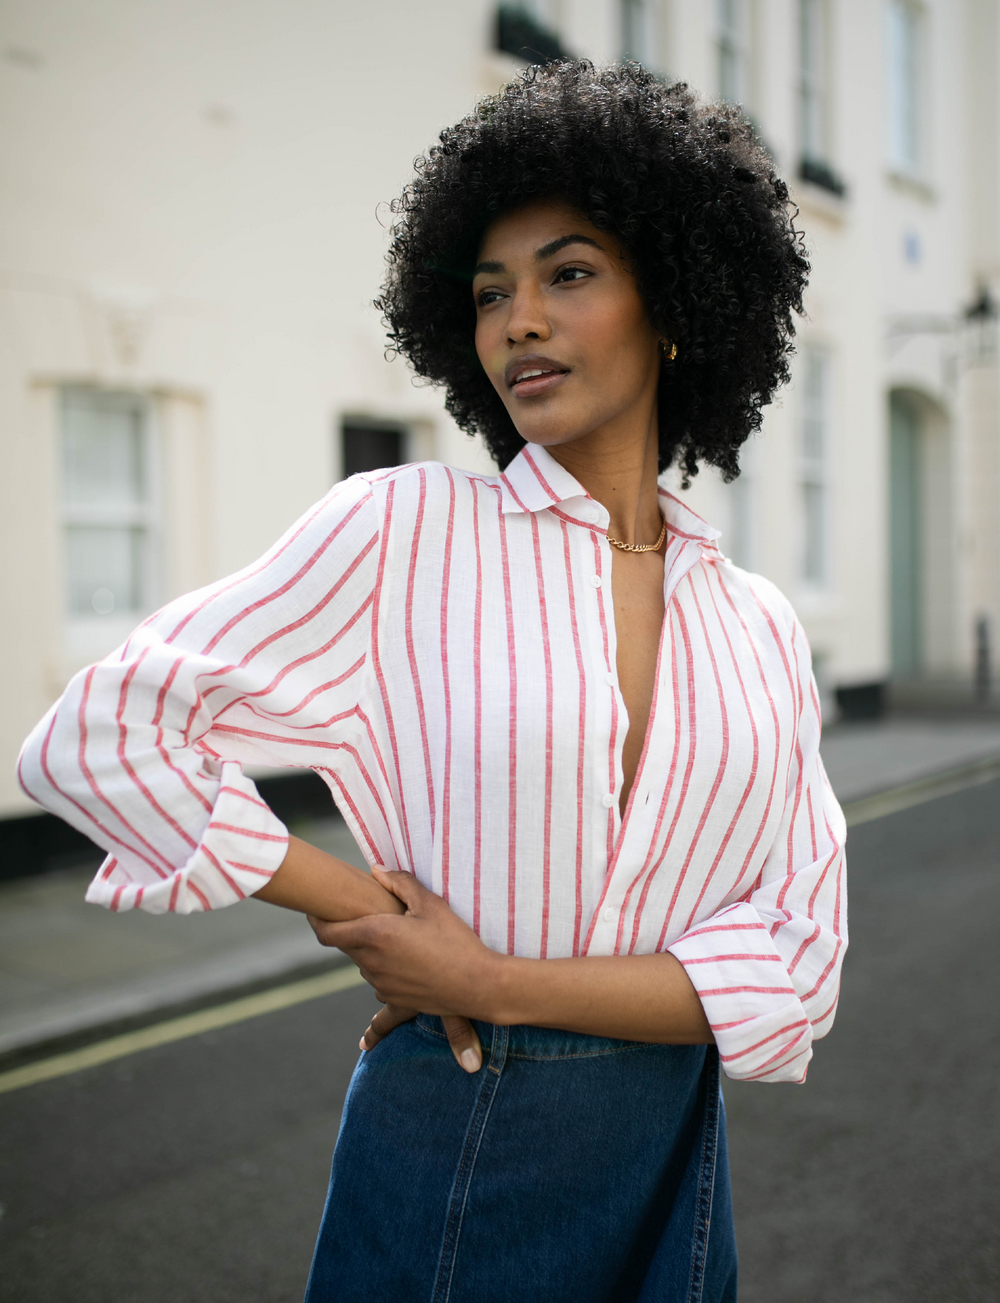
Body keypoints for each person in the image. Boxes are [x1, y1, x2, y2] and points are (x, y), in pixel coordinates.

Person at [18, 62, 846, 1303]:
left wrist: (485, 979)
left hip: (676, 1153)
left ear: (673, 299)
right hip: (454, 1125)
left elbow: (798, 966)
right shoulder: (402, 530)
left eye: (568, 273)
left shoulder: (761, 624)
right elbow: (95, 737)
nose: (518, 319)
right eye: (489, 292)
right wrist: (359, 908)